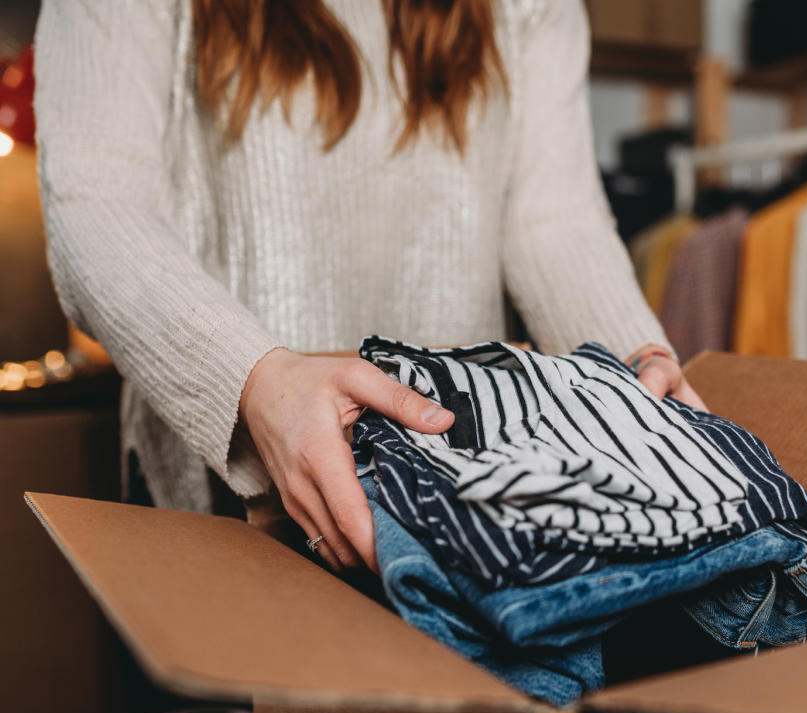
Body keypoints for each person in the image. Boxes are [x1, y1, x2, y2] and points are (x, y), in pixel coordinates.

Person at [34, 0, 703, 575]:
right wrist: (258, 386)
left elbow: (551, 223)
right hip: (214, 502)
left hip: (456, 486)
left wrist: (628, 369)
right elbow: (95, 200)